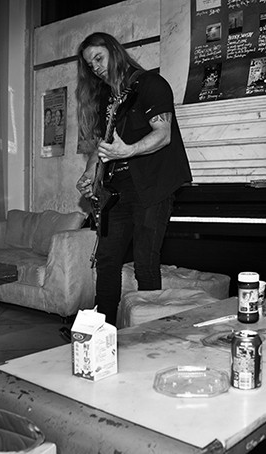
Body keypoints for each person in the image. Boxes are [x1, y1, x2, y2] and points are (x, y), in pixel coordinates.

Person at [74, 32, 192, 327]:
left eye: (99, 58)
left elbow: (163, 134)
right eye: (90, 64)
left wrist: (128, 150)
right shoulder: (106, 98)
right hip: (117, 190)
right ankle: (103, 330)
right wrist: (90, 172)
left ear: (114, 52)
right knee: (107, 260)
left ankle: (148, 333)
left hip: (152, 185)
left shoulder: (151, 84)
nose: (95, 67)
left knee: (145, 261)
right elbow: (103, 144)